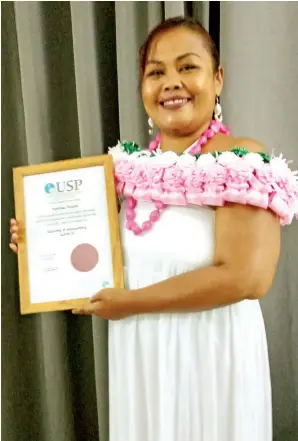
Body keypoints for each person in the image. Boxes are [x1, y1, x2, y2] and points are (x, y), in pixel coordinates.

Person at [9, 16, 298, 441]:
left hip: (209, 354)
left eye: (187, 67)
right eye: (156, 72)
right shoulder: (127, 171)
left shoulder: (241, 160)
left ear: (217, 79)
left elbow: (247, 277)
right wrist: (44, 245)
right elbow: (101, 257)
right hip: (141, 352)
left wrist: (131, 303)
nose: (171, 82)